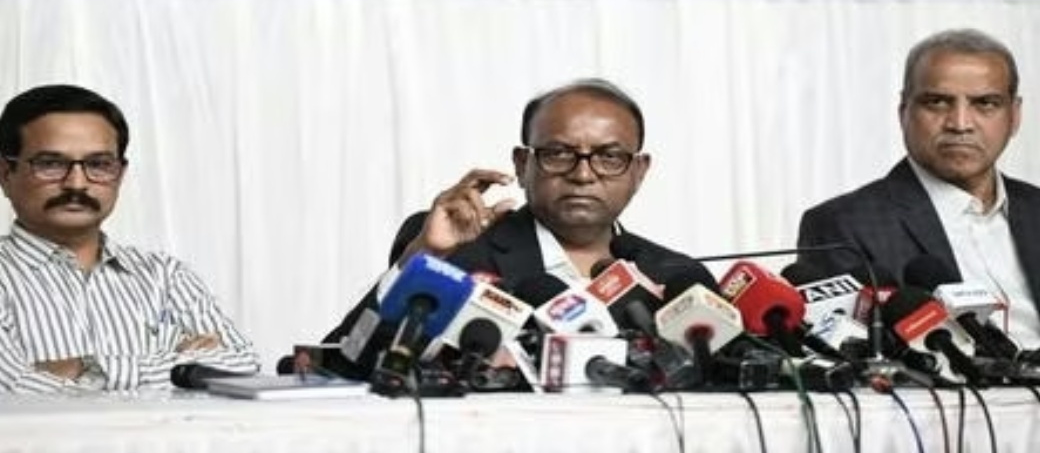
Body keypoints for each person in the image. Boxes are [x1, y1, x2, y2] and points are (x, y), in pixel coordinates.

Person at [322, 78, 713, 378]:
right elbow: (343, 362)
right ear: (522, 165)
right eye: (558, 153)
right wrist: (423, 256)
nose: (583, 174)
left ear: (639, 171)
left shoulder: (677, 277)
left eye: (609, 157)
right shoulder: (454, 251)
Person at [796, 28, 1040, 365]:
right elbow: (850, 362)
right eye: (937, 102)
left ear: (1015, 115)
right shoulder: (844, 225)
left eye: (985, 104)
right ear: (903, 111)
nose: (960, 124)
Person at [0, 84, 260, 393]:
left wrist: (88, 368)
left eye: (99, 164)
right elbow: (10, 387)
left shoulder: (166, 276)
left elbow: (243, 365)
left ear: (120, 174)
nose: (77, 183)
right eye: (51, 164)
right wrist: (177, 362)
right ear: (5, 174)